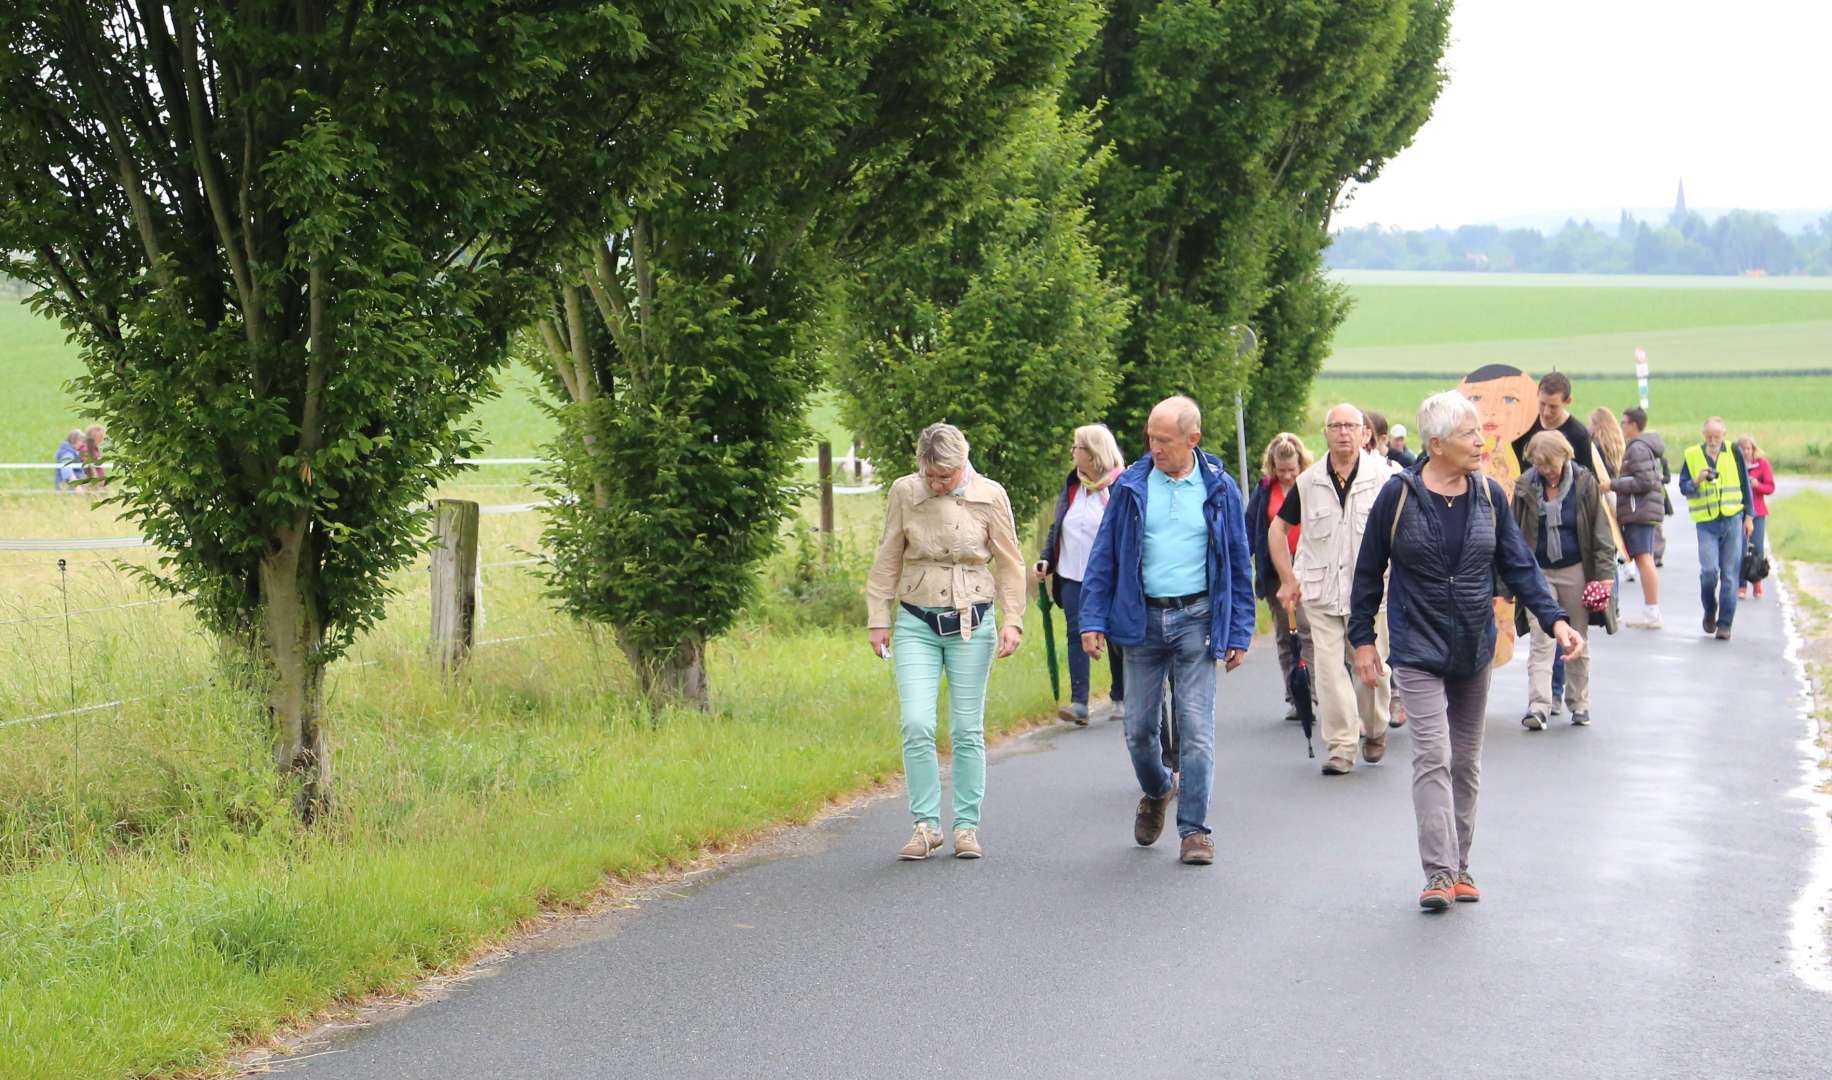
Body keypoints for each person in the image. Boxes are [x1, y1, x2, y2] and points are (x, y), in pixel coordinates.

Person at [1350, 391, 1581, 911]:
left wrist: (1556, 619)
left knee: (1466, 762)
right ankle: (1437, 872)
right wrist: (1363, 639)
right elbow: (1368, 572)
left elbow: (1519, 564)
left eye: (1481, 432)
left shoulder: (1489, 496)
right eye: (1470, 434)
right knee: (1433, 754)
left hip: (1474, 644)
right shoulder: (1399, 496)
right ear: (1435, 444)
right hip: (1416, 644)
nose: (1482, 441)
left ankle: (1461, 865)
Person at [1080, 396, 1254, 867]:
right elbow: (1104, 558)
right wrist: (1092, 619)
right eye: (1150, 438)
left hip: (1197, 619)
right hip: (1142, 623)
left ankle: (1195, 830)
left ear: (1192, 439)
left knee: (1196, 730)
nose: (1154, 447)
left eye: (1164, 440)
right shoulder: (1132, 487)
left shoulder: (1219, 489)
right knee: (1138, 731)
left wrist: (1239, 630)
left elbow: (1239, 563)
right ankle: (1158, 789)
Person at [866, 423, 1026, 861]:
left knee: (965, 728)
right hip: (916, 620)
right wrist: (878, 617)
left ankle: (966, 826)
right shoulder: (904, 492)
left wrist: (1014, 620)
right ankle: (925, 825)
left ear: (963, 464)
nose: (936, 484)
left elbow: (1011, 564)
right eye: (930, 475)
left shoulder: (991, 495)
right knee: (917, 723)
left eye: (945, 477)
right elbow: (887, 556)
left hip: (971, 621)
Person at [1268, 404, 1391, 775]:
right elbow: (1277, 529)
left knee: (1370, 668)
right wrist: (1288, 579)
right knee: (1328, 671)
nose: (1342, 433)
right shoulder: (1308, 482)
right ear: (1325, 434)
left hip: (1369, 594)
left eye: (1350, 426)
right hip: (1321, 592)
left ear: (1364, 434)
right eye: (1335, 426)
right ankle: (1341, 745)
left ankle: (1375, 727)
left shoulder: (1384, 479)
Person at [1509, 431, 1615, 730]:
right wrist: (1507, 584)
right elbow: (1513, 536)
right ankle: (1539, 706)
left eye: (1551, 466)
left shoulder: (1585, 484)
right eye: (1540, 466)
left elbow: (1601, 532)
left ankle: (1579, 703)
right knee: (1541, 641)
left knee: (1576, 637)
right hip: (1537, 573)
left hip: (1575, 570)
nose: (1546, 472)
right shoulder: (1525, 486)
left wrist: (1605, 576)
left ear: (1565, 457)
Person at [1038, 423, 1128, 724]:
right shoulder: (1073, 486)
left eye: (1077, 447)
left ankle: (1121, 696)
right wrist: (1046, 559)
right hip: (1072, 574)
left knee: (1116, 634)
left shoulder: (1119, 486)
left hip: (1109, 576)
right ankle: (1079, 703)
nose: (1072, 452)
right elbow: (1059, 525)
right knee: (1077, 633)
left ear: (1093, 454)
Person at [1244, 431, 1315, 721]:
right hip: (1276, 573)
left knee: (1308, 631)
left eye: (1291, 470)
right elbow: (1250, 530)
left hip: (1310, 569)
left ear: (1301, 466)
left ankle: (1310, 692)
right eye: (1281, 470)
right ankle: (1295, 695)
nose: (1286, 476)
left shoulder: (1313, 486)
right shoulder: (1264, 492)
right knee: (1286, 636)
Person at [1678, 416, 1753, 641]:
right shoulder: (1692, 455)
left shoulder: (1734, 452)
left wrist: (1749, 515)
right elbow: (1683, 487)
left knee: (1730, 576)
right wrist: (1697, 481)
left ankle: (1725, 624)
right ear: (1704, 435)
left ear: (1724, 435)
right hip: (1706, 522)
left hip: (1732, 519)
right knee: (1709, 572)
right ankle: (1710, 610)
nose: (1713, 440)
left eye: (1717, 436)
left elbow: (1744, 483)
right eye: (1709, 436)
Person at [1613, 407, 1667, 628]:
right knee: (1644, 558)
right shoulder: (1643, 447)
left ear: (1633, 424)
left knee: (1645, 559)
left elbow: (1644, 481)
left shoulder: (1637, 448)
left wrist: (1613, 484)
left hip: (1640, 511)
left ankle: (1652, 612)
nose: (1621, 426)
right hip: (1643, 510)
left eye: (1623, 422)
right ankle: (1651, 611)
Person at [1510, 371, 1594, 479]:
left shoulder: (1579, 435)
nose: (1546, 412)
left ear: (1567, 401)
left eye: (1553, 407)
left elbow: (1585, 480)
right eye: (1542, 404)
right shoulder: (1524, 425)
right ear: (1537, 395)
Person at [1736, 434, 1775, 600]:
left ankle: (1757, 581)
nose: (1746, 452)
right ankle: (1741, 585)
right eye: (1742, 449)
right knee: (1740, 549)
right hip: (1739, 512)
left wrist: (1757, 485)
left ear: (1753, 449)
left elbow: (1770, 487)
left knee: (1757, 548)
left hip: (1758, 512)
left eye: (1748, 448)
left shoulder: (1762, 464)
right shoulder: (1736, 465)